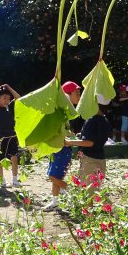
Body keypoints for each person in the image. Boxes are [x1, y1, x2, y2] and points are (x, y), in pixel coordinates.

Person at [42, 81, 83, 211]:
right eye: (77, 93)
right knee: (55, 176)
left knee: (52, 176)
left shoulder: (67, 112)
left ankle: (72, 192)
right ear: (67, 95)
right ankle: (55, 201)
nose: (79, 96)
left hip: (63, 148)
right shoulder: (62, 111)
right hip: (57, 148)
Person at [66, 93, 113, 182]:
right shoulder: (105, 120)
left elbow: (89, 142)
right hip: (101, 158)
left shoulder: (91, 120)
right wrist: (81, 135)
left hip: (90, 160)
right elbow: (97, 138)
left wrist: (69, 142)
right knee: (96, 189)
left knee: (88, 189)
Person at [0, 83, 22, 188]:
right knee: (0, 160)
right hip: (1, 138)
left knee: (14, 158)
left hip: (13, 137)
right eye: (4, 98)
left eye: (8, 98)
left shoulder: (11, 107)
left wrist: (9, 87)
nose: (6, 100)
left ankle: (14, 180)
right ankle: (2, 179)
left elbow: (18, 98)